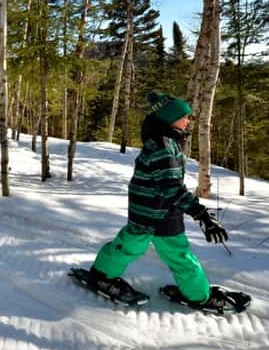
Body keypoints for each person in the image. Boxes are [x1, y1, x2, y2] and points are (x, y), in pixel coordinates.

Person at [87, 92, 230, 309]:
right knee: (165, 253)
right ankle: (198, 296)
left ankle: (102, 274)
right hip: (153, 212)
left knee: (141, 248)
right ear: (170, 119)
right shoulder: (163, 147)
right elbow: (171, 188)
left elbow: (170, 186)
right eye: (184, 117)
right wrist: (201, 214)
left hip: (157, 210)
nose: (188, 121)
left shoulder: (166, 141)